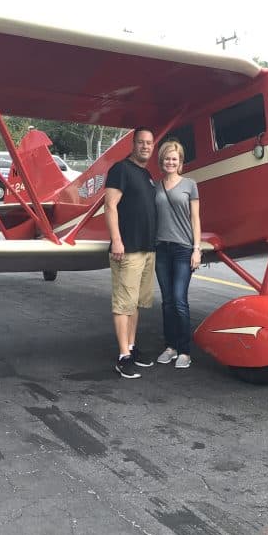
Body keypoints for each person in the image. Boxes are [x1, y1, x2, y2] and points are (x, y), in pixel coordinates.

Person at [104, 127, 158, 379]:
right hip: (128, 249)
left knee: (136, 303)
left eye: (149, 143)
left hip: (147, 249)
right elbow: (110, 205)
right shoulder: (120, 169)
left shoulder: (147, 174)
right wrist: (116, 240)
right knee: (123, 304)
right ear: (133, 145)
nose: (145, 146)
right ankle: (123, 356)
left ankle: (132, 347)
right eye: (141, 143)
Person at [153, 140, 201, 370]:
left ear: (180, 161)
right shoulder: (156, 186)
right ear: (161, 161)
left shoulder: (190, 185)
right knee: (167, 302)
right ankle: (170, 347)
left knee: (180, 301)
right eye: (167, 158)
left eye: (175, 158)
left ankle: (184, 351)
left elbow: (195, 219)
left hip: (183, 249)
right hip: (162, 249)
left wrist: (197, 249)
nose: (170, 162)